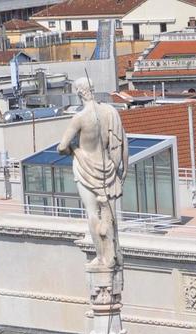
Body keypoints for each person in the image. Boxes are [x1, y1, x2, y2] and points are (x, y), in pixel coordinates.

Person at [57, 76, 128, 274]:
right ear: (93, 89)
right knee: (109, 213)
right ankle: (114, 252)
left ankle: (101, 256)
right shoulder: (110, 112)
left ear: (79, 92)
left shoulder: (79, 118)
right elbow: (120, 143)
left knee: (92, 213)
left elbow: (62, 146)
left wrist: (73, 151)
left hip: (86, 167)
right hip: (107, 168)